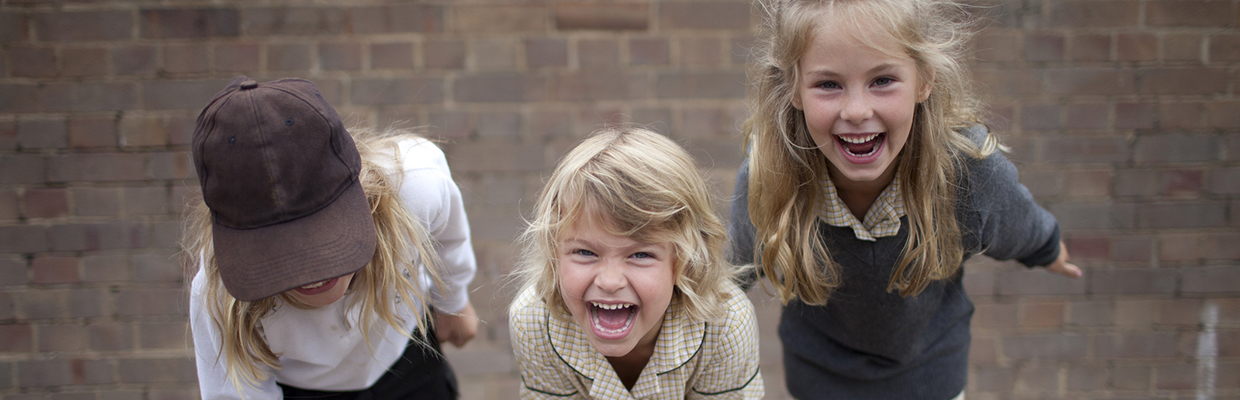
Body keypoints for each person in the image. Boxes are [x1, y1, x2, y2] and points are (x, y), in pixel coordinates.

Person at [728, 1, 1083, 399]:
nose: (857, 111)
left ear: (924, 79)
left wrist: (1048, 248)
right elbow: (732, 269)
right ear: (794, 88)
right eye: (828, 84)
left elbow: (1018, 221)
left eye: (882, 80)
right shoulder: (773, 174)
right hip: (818, 383)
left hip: (931, 381)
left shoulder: (966, 172)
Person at [184, 76, 478, 400]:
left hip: (406, 357)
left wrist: (453, 302)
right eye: (275, 253)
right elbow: (234, 393)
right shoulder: (218, 287)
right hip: (307, 390)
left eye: (323, 236)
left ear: (364, 195)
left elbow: (448, 231)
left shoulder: (413, 188)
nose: (313, 273)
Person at [509, 127, 763, 399]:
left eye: (640, 255)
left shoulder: (725, 325)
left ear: (686, 261)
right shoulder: (535, 321)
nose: (609, 281)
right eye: (585, 252)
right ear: (554, 253)